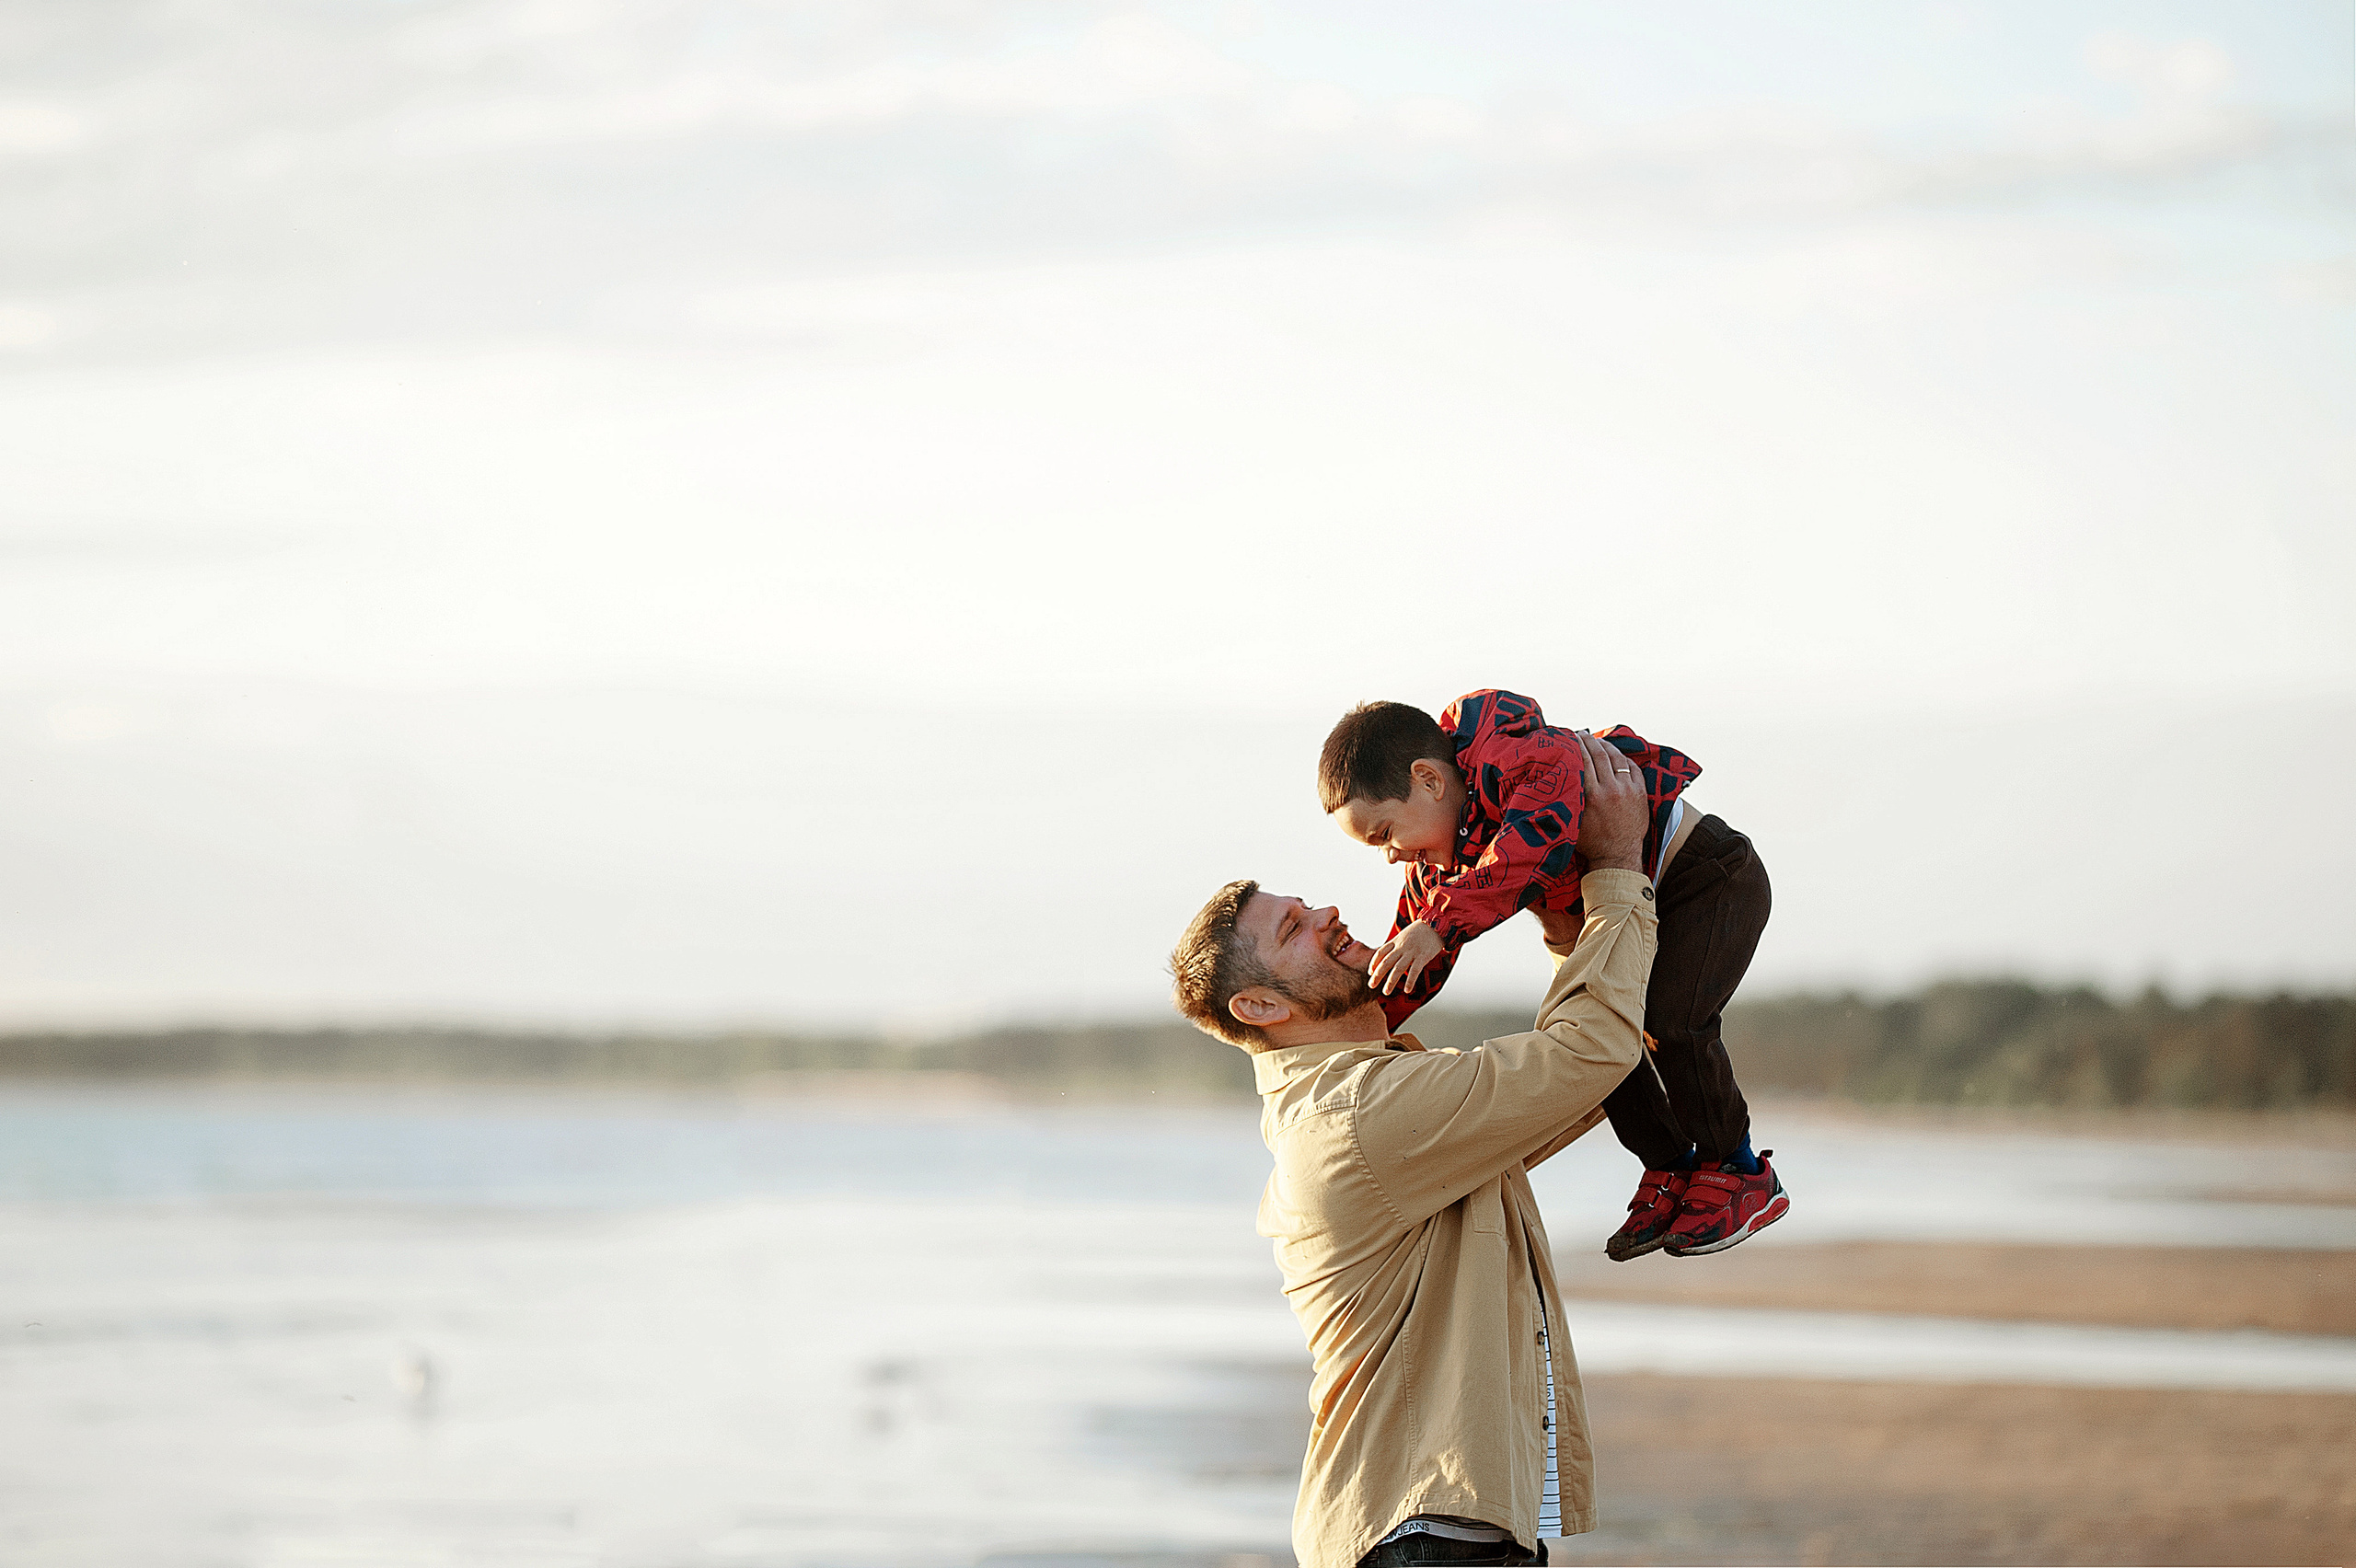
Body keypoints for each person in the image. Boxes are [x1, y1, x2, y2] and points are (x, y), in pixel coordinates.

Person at [1169, 732, 1655, 1568]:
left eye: (1307, 904)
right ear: (1259, 1006)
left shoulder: (1373, 1098)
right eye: (1293, 927)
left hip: (1434, 1534)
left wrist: (1560, 912)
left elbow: (1583, 1079)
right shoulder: (1361, 1115)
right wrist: (1613, 872)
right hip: (1421, 1537)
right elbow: (1585, 1057)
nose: (1327, 912)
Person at [1316, 689, 1784, 1259]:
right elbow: (1413, 956)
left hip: (1706, 879)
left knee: (1670, 1022)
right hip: (1635, 907)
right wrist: (1346, 1025)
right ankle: (1670, 1167)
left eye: (1385, 833)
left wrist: (1438, 923)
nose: (1391, 856)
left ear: (1429, 780)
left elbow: (1538, 832)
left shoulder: (1506, 755)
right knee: (1598, 1031)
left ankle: (1738, 1168)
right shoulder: (1445, 866)